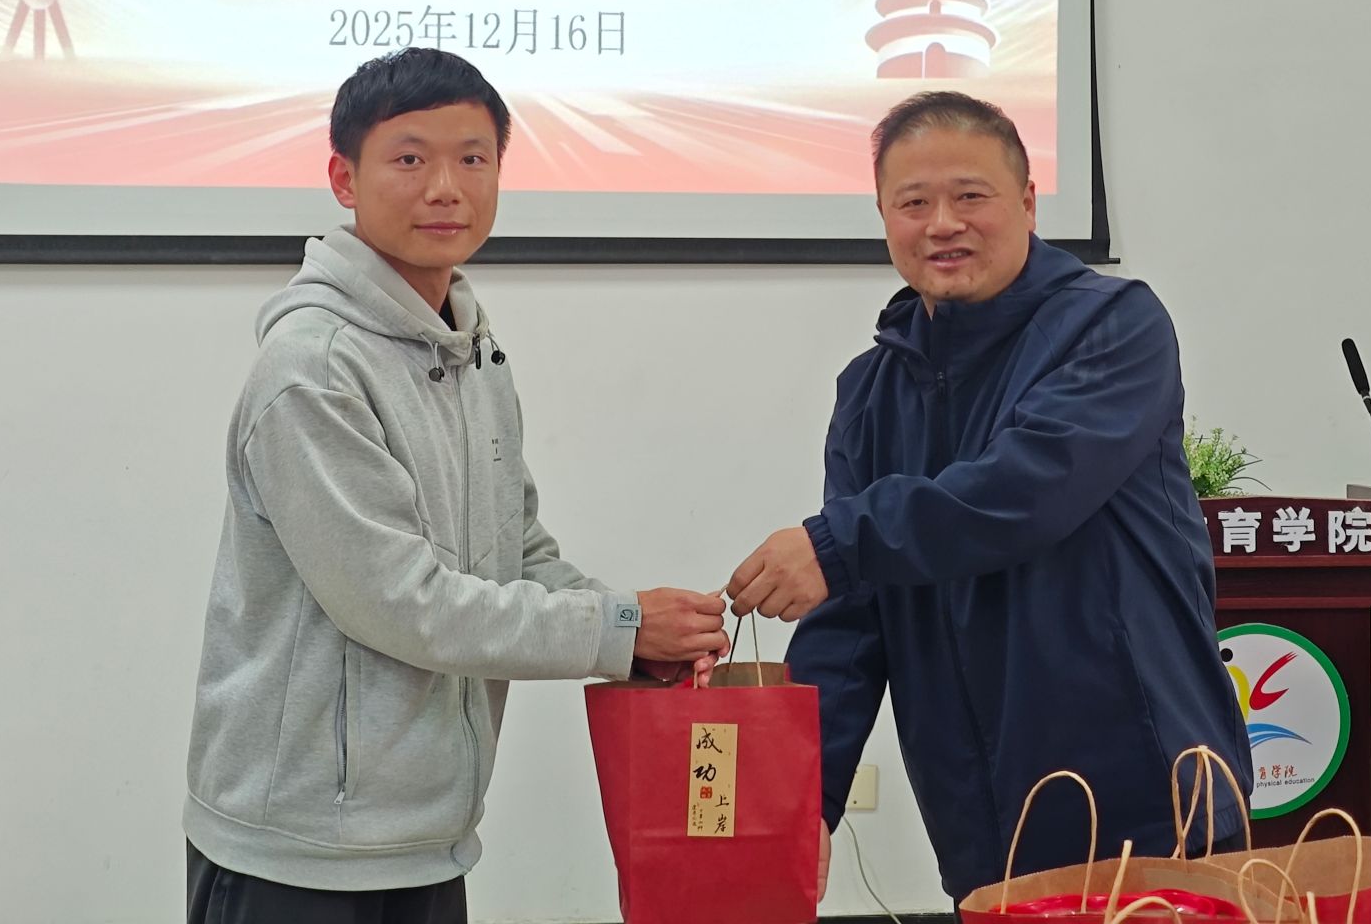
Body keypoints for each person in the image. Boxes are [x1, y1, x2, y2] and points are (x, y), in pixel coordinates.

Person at [184, 48, 728, 923]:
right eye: (410, 158)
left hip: (427, 834)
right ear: (343, 178)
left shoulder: (471, 348)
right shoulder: (312, 369)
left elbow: (519, 549)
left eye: (473, 158)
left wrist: (634, 631)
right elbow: (403, 605)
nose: (446, 187)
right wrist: (616, 628)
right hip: (301, 849)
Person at [727, 91, 1249, 908]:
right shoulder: (869, 393)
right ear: (883, 216)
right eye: (914, 203)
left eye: (970, 195)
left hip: (1148, 802)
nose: (943, 223)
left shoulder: (1113, 327)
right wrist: (804, 803)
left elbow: (1024, 492)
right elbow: (852, 621)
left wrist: (834, 543)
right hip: (981, 821)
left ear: (1029, 202)